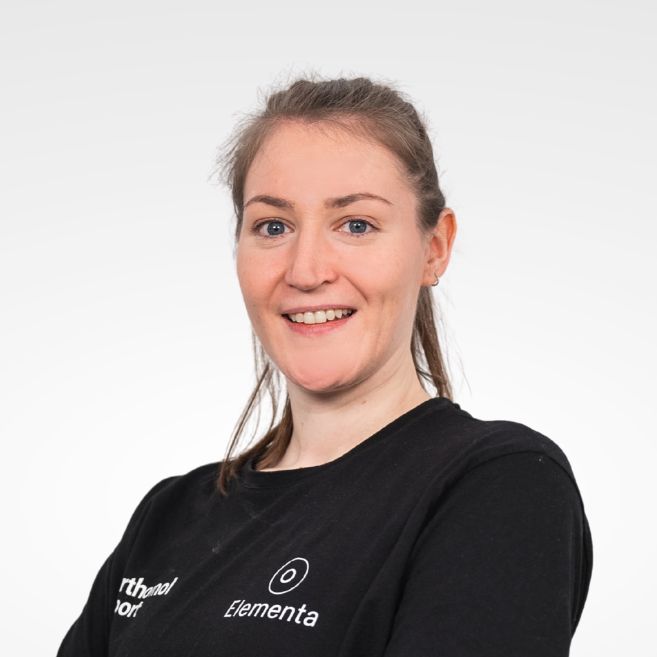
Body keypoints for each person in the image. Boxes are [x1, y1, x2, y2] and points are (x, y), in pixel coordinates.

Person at [57, 74, 593, 657]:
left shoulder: (499, 485)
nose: (306, 270)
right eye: (274, 227)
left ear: (434, 248)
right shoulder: (168, 517)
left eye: (356, 225)